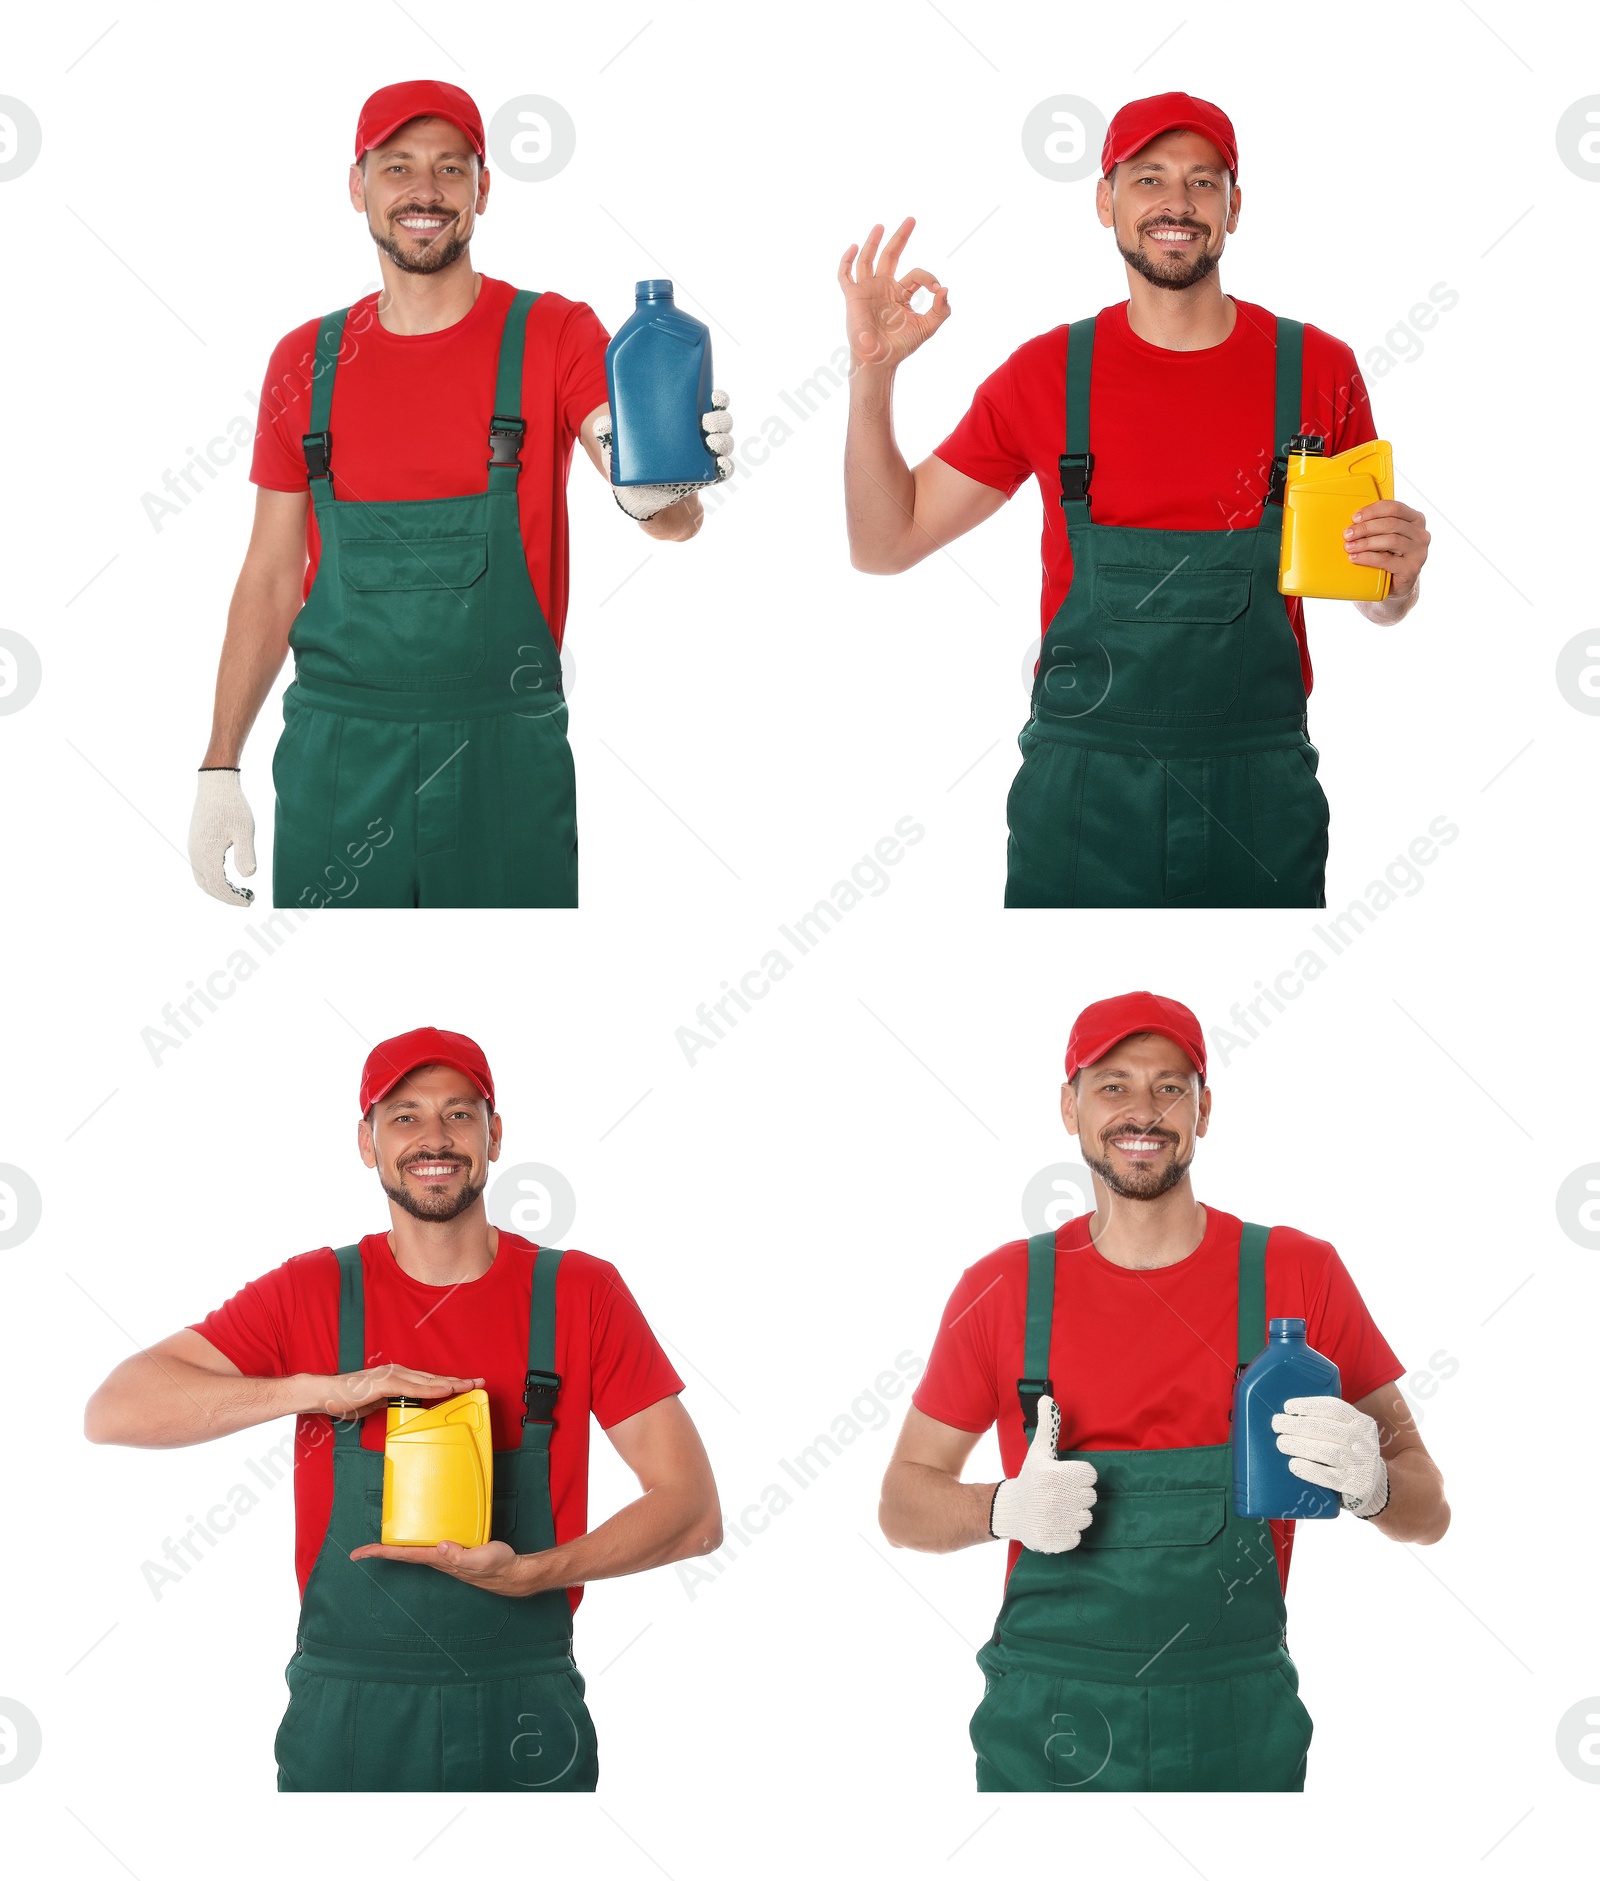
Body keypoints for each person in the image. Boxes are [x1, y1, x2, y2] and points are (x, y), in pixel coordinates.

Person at [85, 1026, 721, 1791]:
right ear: (367, 1141)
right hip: (344, 1713)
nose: (434, 1138)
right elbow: (114, 1408)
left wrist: (535, 1573)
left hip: (524, 1708)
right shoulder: (312, 1290)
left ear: (494, 1134)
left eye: (459, 1114)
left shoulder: (580, 1293)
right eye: (406, 1115)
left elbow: (693, 1512)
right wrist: (324, 1388)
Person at [839, 92, 1431, 908]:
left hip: (1260, 797)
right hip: (1081, 796)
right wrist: (874, 374)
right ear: (1104, 199)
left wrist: (1399, 582)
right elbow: (884, 542)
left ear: (1234, 205)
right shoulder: (1046, 374)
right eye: (1149, 179)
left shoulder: (1317, 369)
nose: (1176, 205)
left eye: (1202, 182)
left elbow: (1377, 600)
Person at [879, 991, 1448, 1790]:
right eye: (1112, 1085)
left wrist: (1376, 1484)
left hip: (1238, 1723)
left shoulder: (1299, 1274)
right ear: (1069, 1106)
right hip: (1047, 1725)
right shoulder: (1005, 1286)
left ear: (1204, 1109)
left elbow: (1432, 1513)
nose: (1141, 1110)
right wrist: (1001, 1508)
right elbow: (902, 1502)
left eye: (1169, 1086)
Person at [188, 80, 733, 909]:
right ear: (357, 185)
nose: (425, 192)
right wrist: (220, 762)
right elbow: (268, 575)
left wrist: (660, 488)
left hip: (505, 757)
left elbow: (665, 509)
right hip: (338, 759)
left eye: (451, 168)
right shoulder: (307, 360)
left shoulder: (553, 334)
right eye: (398, 166)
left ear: (483, 189)